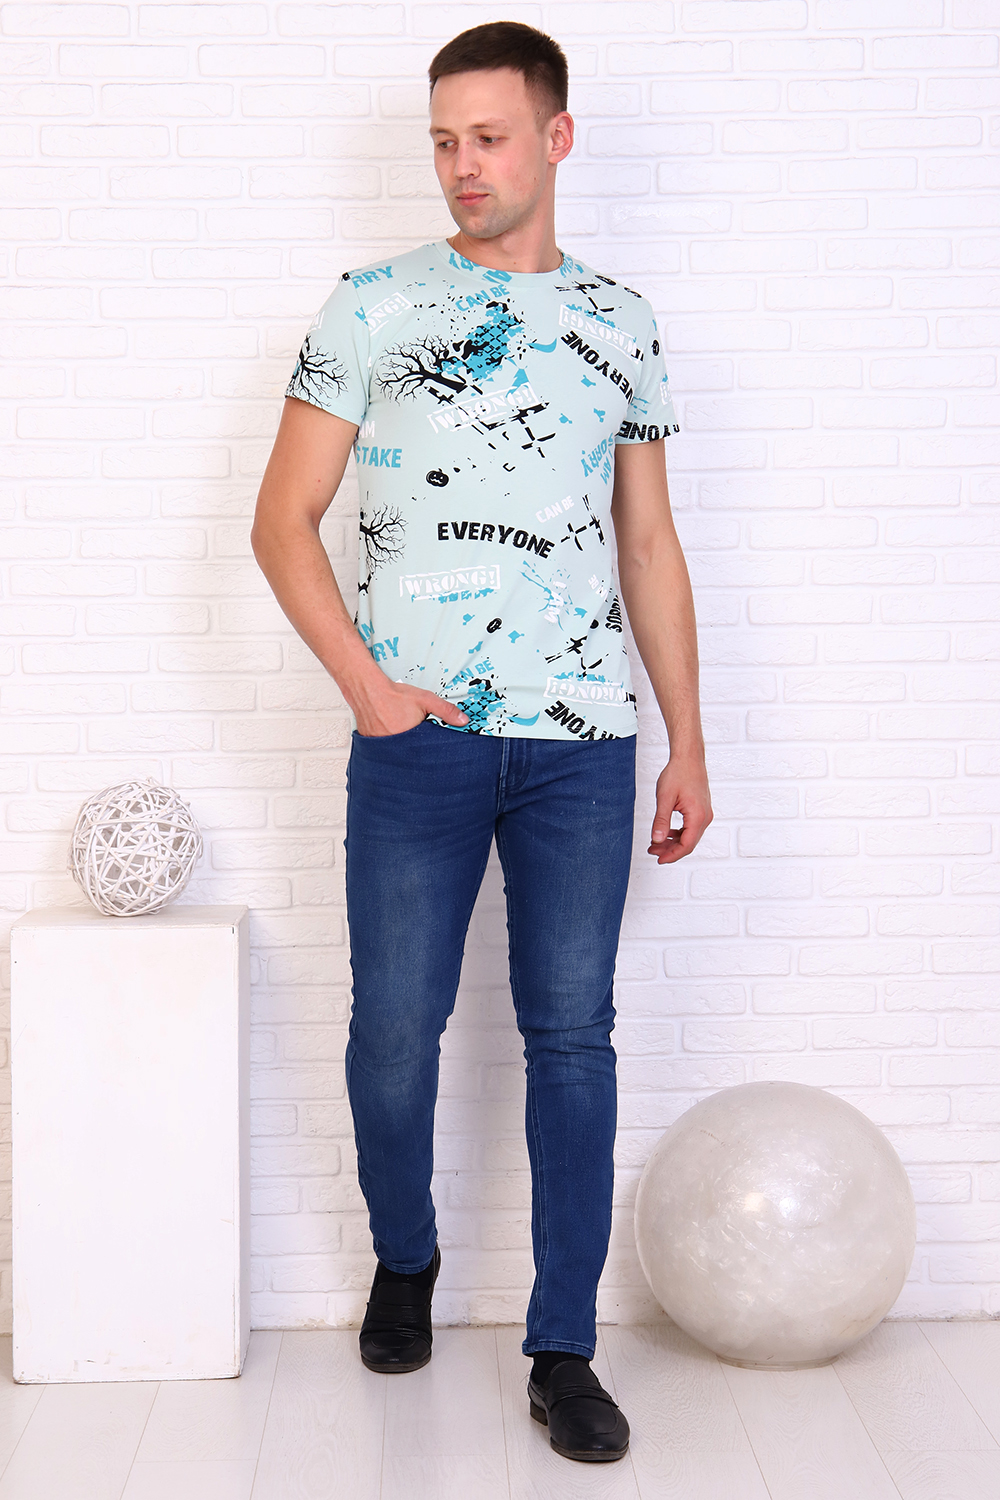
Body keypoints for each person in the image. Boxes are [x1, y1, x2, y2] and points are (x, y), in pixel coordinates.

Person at [251, 20, 713, 1465]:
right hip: (420, 742)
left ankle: (562, 1347)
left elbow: (649, 543)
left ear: (555, 139)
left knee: (573, 1037)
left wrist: (688, 741)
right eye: (445, 140)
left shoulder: (622, 321)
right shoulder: (369, 308)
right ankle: (407, 1253)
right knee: (394, 1034)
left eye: (491, 137)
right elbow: (282, 522)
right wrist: (369, 689)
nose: (463, 165)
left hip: (582, 745)